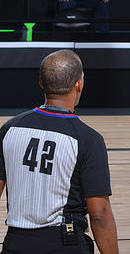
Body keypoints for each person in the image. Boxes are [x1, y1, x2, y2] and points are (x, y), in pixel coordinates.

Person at [0, 50, 118, 254]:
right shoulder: (88, 139)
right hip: (64, 244)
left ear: (40, 82)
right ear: (78, 84)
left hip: (16, 243)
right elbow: (99, 214)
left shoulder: (9, 129)